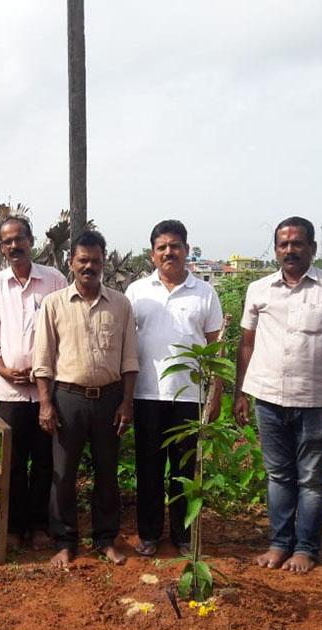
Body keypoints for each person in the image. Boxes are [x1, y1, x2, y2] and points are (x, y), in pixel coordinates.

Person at [233, 216, 322, 573]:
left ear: (312, 248)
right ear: (275, 250)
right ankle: (279, 544)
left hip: (315, 399)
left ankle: (306, 548)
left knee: (312, 478)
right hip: (268, 397)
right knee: (278, 475)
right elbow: (246, 344)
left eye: (297, 243)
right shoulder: (259, 289)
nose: (290, 250)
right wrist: (240, 393)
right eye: (283, 244)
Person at [32, 230, 138, 569]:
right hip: (68, 399)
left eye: (95, 260)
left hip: (110, 399)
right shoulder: (54, 304)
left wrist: (127, 402)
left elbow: (129, 360)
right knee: (63, 474)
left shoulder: (121, 304)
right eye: (83, 260)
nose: (89, 266)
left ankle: (106, 539)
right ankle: (65, 542)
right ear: (71, 262)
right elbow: (43, 360)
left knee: (107, 473)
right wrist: (46, 404)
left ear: (104, 263)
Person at [125, 220, 223, 557]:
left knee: (185, 470)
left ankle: (183, 536)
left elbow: (217, 347)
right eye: (162, 247)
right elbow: (125, 344)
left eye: (175, 246)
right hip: (146, 394)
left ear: (186, 250)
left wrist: (216, 395)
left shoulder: (205, 293)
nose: (169, 252)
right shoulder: (137, 291)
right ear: (152, 254)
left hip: (189, 397)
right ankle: (149, 534)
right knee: (149, 469)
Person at [0, 215, 67, 550]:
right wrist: (3, 369)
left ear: (31, 241)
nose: (14, 246)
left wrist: (44, 368)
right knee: (13, 462)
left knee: (45, 460)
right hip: (9, 391)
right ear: (1, 248)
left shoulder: (54, 280)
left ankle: (40, 525)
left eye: (19, 239)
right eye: (7, 242)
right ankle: (14, 526)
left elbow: (65, 331)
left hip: (49, 391)